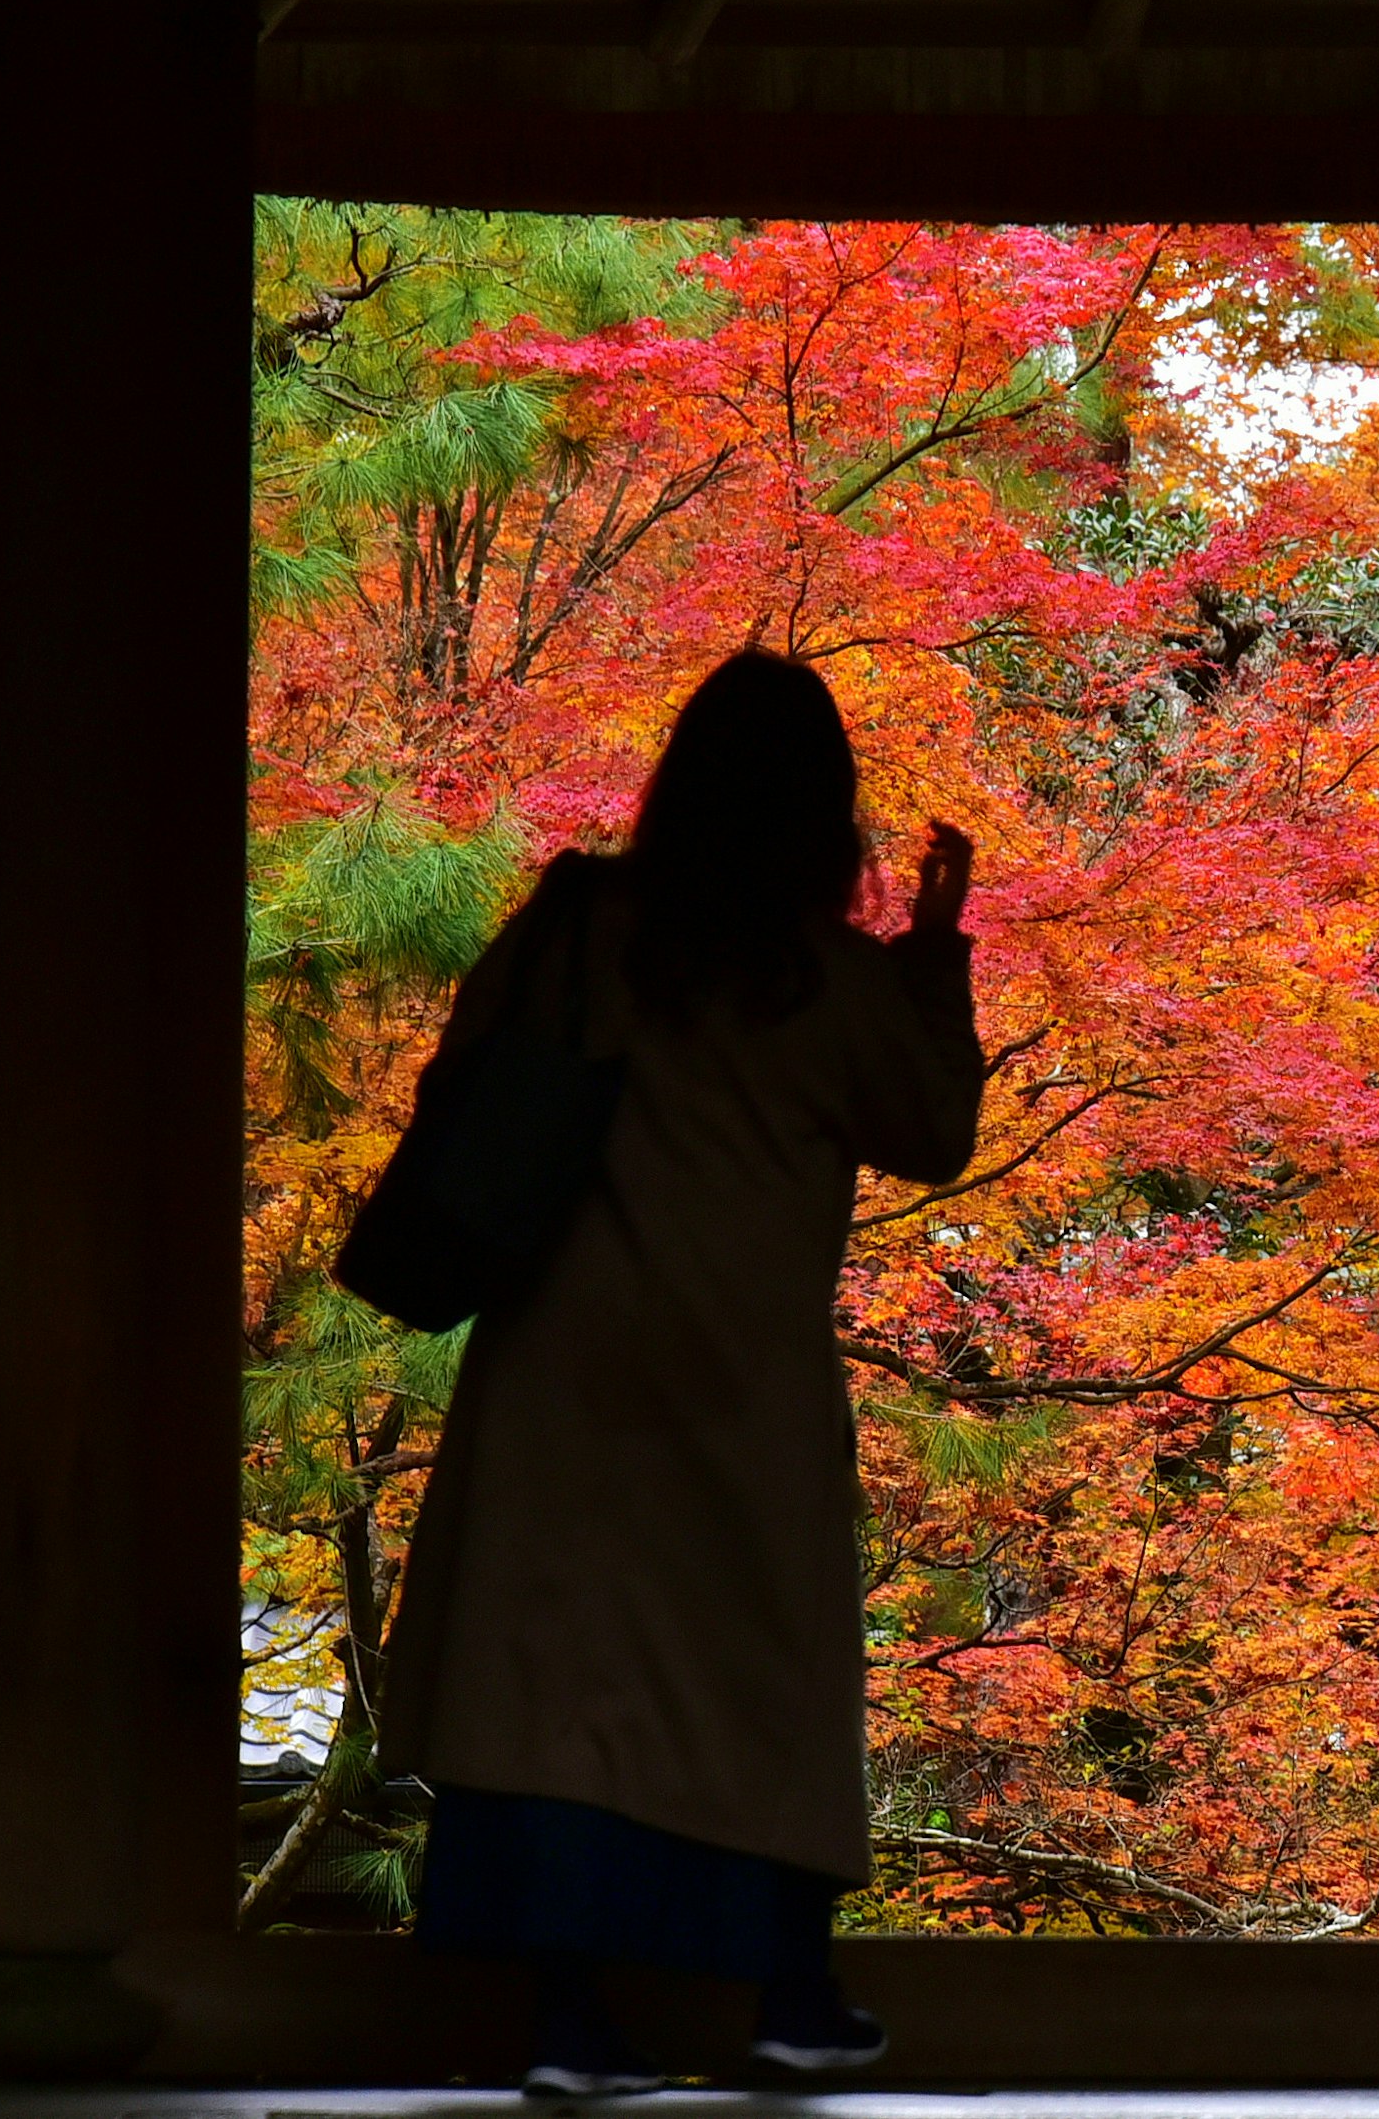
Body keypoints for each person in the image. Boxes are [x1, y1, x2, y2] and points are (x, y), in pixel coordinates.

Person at [377, 651, 986, 2097]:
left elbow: (460, 1082)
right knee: (759, 1681)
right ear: (823, 816)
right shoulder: (829, 983)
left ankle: (570, 2020)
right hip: (745, 1376)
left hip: (563, 1367)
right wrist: (938, 957)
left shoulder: (585, 929)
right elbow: (932, 1132)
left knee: (559, 1681)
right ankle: (785, 1986)